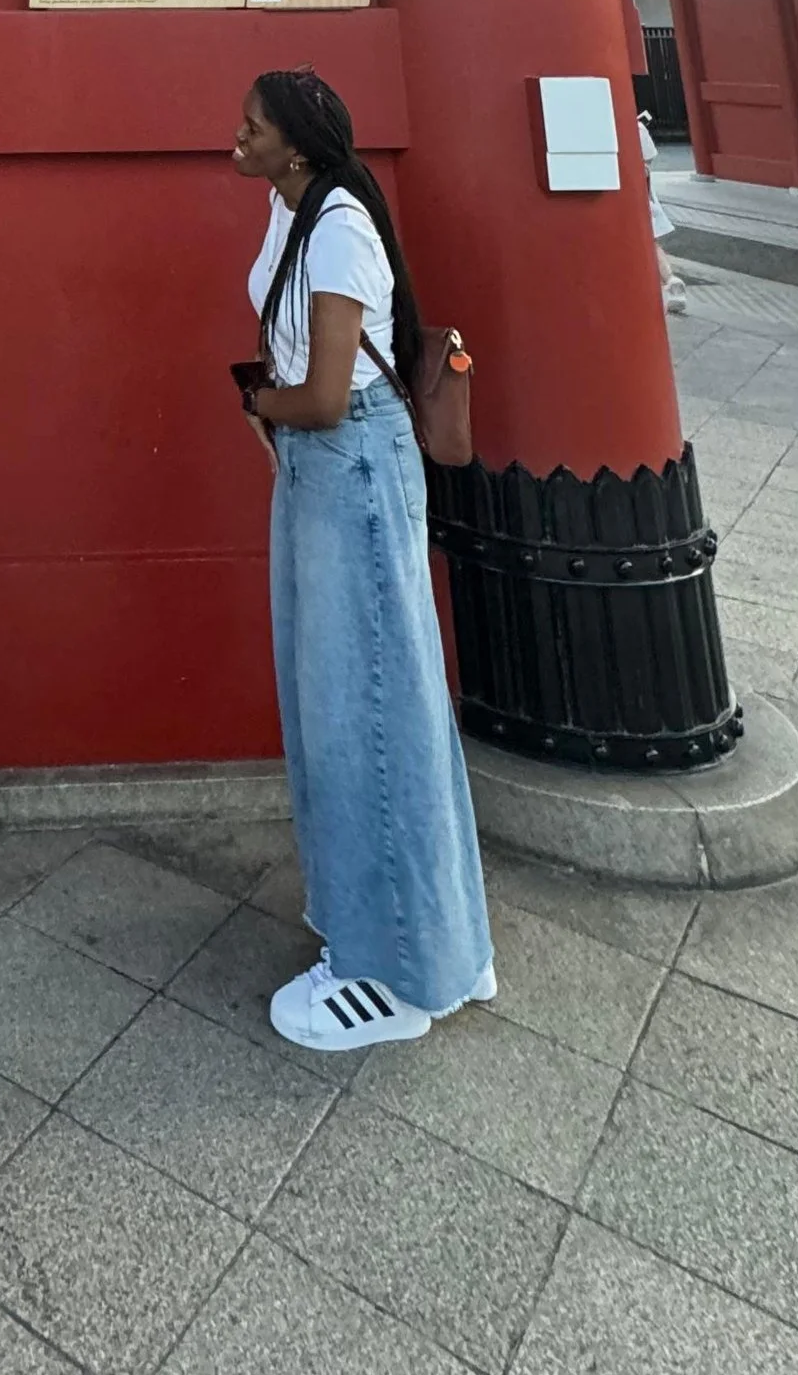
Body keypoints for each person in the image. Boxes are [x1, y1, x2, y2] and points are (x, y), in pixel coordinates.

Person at [235, 65, 495, 1050]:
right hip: (316, 472)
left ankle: (398, 974)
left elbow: (326, 395)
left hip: (348, 465)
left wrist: (256, 403)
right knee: (337, 701)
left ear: (297, 145)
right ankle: (424, 935)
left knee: (369, 709)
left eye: (253, 127)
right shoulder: (288, 206)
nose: (238, 138)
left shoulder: (338, 226)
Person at [640, 110, 688, 313]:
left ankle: (663, 287)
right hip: (644, 193)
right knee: (651, 244)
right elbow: (649, 160)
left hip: (622, 194)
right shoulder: (638, 127)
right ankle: (670, 280)